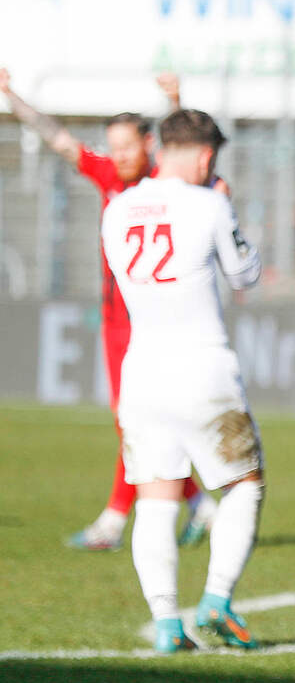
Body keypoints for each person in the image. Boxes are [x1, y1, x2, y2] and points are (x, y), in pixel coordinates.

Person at [0, 67, 218, 551]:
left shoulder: (164, 181)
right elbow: (59, 140)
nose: (118, 155)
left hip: (155, 323)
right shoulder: (108, 177)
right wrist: (11, 96)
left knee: (137, 419)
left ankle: (116, 521)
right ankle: (198, 505)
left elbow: (186, 143)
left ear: (150, 146)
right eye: (113, 146)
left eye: (126, 146)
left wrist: (176, 100)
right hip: (116, 320)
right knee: (137, 419)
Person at [101, 109, 265, 654]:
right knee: (244, 483)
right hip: (202, 365)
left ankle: (167, 624)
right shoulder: (209, 202)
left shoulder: (118, 208)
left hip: (142, 369)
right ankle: (216, 600)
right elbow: (244, 274)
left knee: (156, 496)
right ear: (205, 155)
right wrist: (226, 206)